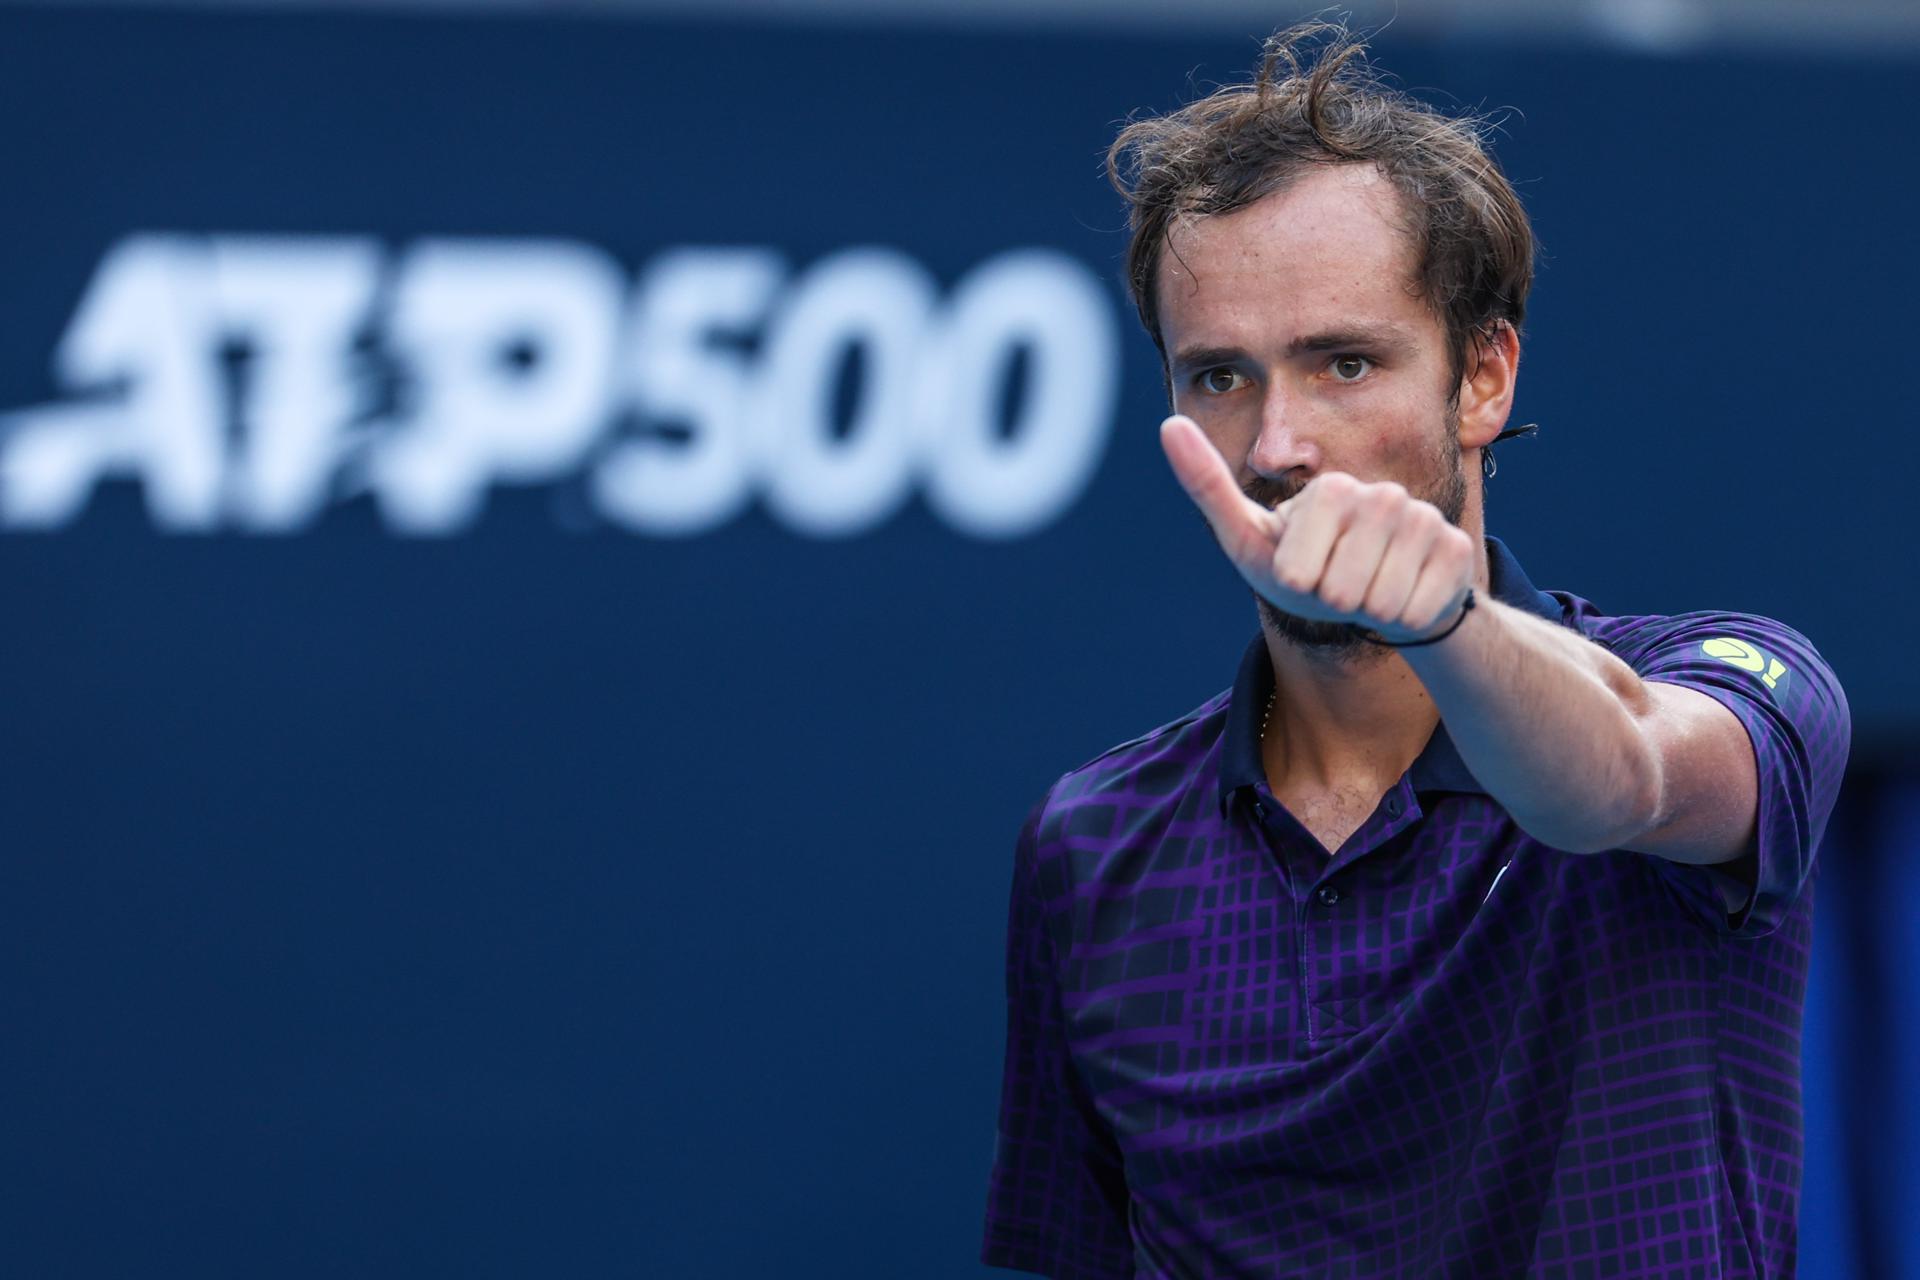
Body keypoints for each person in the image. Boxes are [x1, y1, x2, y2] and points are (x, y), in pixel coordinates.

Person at [980, 22, 1851, 1280]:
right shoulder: (1090, 844)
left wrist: (1443, 622)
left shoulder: (1732, 678)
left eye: (1344, 361)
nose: (1277, 441)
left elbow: (1625, 778)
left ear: (1483, 375)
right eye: (1219, 375)